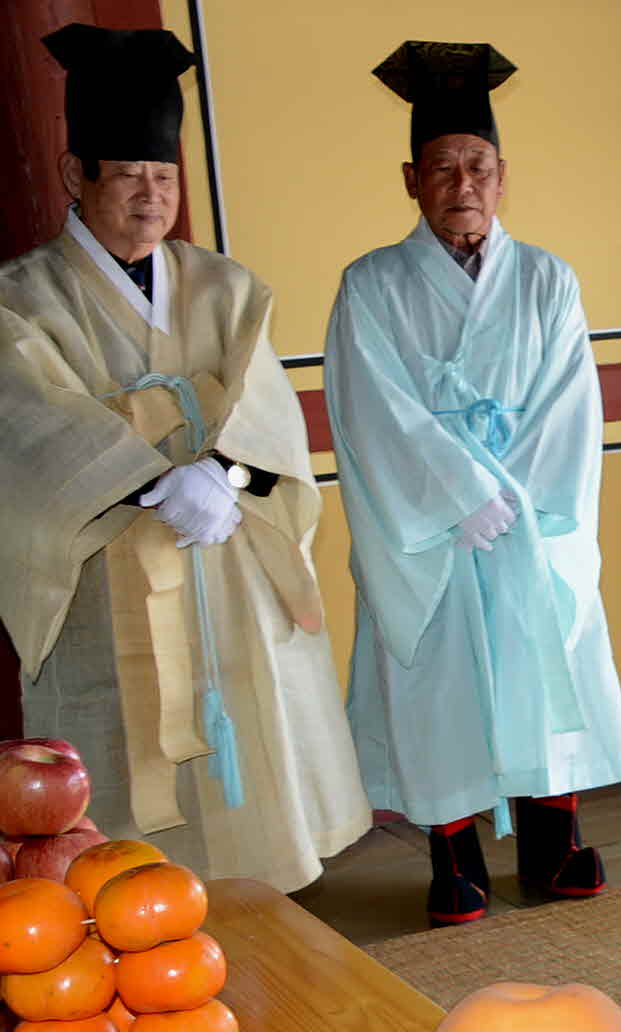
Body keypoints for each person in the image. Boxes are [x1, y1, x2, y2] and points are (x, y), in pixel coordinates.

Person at [0, 25, 367, 891]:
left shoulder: (227, 289)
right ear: (74, 176)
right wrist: (154, 478)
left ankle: (262, 921)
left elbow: (273, 434)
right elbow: (27, 431)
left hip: (225, 556)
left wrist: (221, 474)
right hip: (106, 575)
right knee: (116, 793)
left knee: (250, 763)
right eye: (127, 175)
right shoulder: (21, 299)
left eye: (163, 177)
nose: (149, 196)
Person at [325, 41, 621, 926]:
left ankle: (554, 839)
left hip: (532, 511)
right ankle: (451, 852)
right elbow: (370, 408)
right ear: (410, 180)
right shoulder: (371, 285)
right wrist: (459, 494)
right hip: (431, 523)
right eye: (441, 167)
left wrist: (518, 503)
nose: (462, 183)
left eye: (479, 166)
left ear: (503, 178)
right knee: (438, 677)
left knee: (546, 651)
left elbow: (571, 404)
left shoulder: (547, 278)